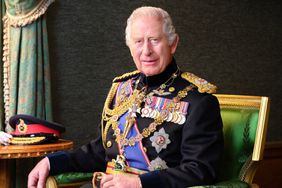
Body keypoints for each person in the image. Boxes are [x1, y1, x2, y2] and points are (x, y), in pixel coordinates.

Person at [28, 6, 224, 188]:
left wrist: (140, 183)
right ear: (130, 47)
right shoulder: (122, 90)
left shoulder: (198, 100)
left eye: (154, 40)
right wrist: (52, 161)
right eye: (138, 42)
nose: (146, 51)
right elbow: (100, 151)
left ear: (172, 44)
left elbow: (201, 170)